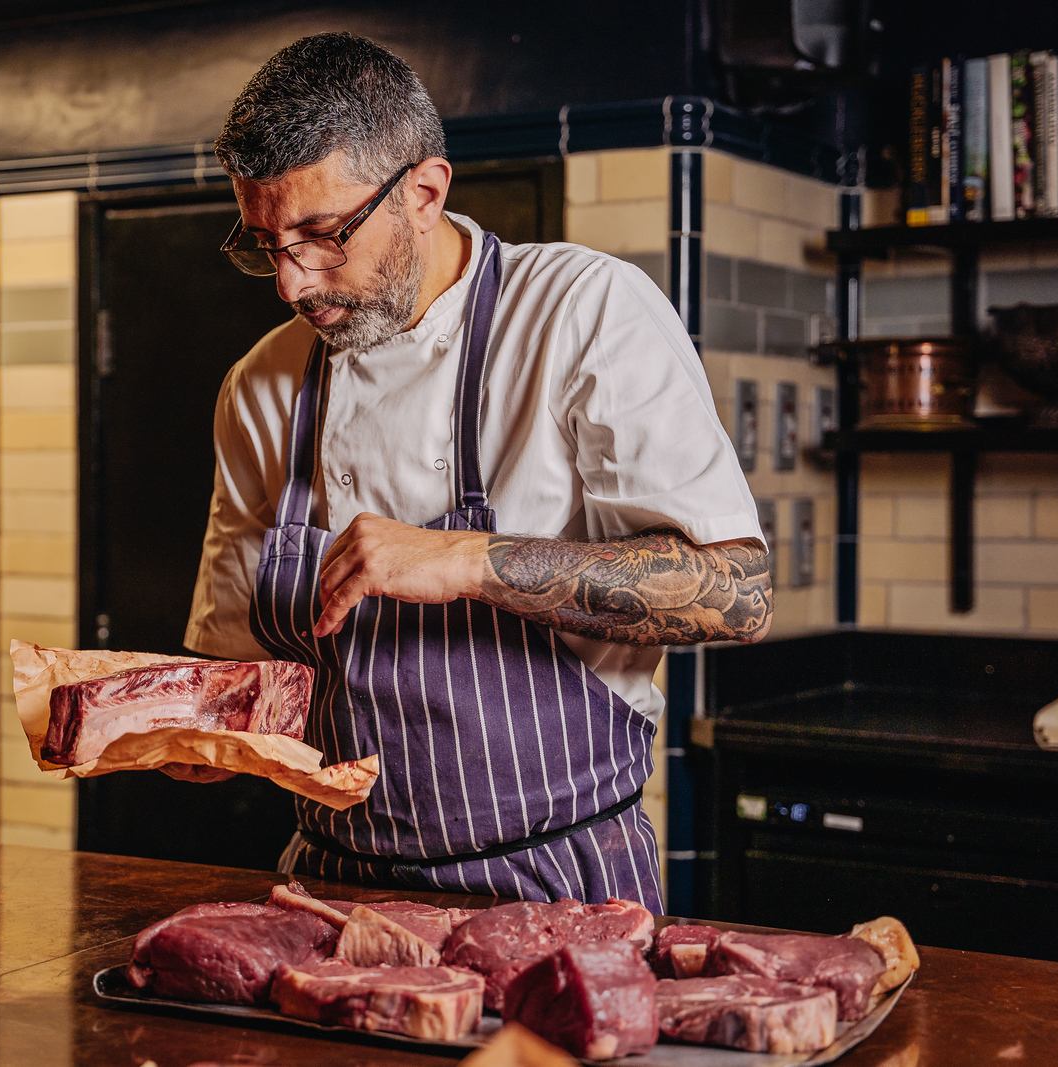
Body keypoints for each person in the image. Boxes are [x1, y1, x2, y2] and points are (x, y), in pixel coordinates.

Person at [186, 32, 771, 910]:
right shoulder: (262, 387)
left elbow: (738, 593)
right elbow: (238, 670)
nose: (293, 283)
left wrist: (465, 561)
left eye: (323, 235)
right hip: (333, 883)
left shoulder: (582, 312)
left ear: (424, 192)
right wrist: (148, 725)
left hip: (559, 883)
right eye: (266, 244)